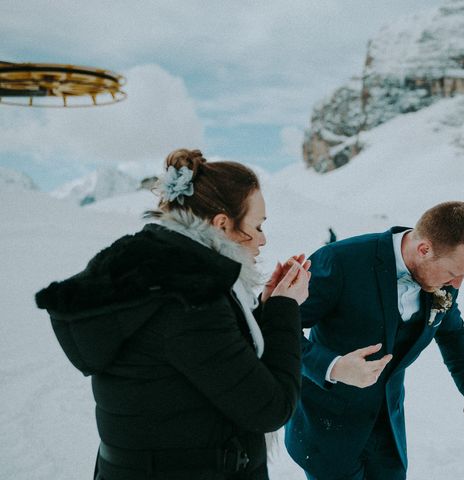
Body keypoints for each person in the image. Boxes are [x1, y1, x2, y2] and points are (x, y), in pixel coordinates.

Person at [35, 149, 310, 480]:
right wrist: (285, 308)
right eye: (258, 225)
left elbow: (218, 367)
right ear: (223, 223)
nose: (264, 239)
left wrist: (265, 306)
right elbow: (269, 407)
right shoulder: (189, 297)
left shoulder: (152, 263)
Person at [285, 201, 464, 480]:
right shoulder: (340, 261)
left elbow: (452, 332)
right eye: (453, 273)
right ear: (424, 250)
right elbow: (278, 327)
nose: (457, 285)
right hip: (327, 432)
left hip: (388, 435)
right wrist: (332, 366)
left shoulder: (442, 282)